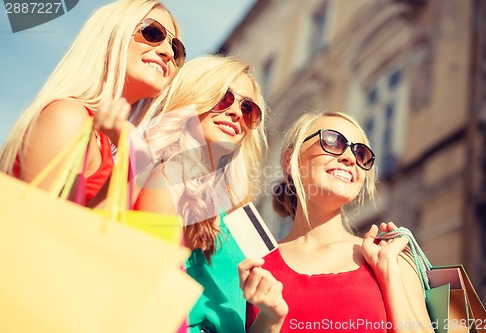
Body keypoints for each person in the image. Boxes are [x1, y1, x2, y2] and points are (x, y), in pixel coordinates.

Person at [239, 111, 434, 333]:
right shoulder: (254, 265)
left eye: (360, 154)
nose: (350, 158)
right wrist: (267, 320)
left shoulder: (390, 255)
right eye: (332, 141)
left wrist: (390, 274)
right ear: (289, 160)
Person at [0, 0, 186, 206]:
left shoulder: (103, 139)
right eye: (152, 33)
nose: (168, 53)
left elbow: (91, 226)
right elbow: (41, 224)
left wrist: (136, 156)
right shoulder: (68, 117)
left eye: (176, 49)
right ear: (112, 36)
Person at [135, 55, 268, 333]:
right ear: (194, 98)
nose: (235, 113)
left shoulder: (234, 206)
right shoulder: (171, 176)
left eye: (248, 110)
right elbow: (145, 292)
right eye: (223, 98)